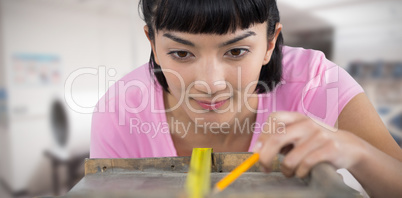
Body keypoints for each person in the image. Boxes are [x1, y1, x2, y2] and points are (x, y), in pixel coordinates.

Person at [90, 0, 402, 197]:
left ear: (270, 43)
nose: (210, 84)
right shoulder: (119, 110)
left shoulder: (316, 82)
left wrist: (357, 150)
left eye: (236, 51)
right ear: (153, 44)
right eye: (181, 53)